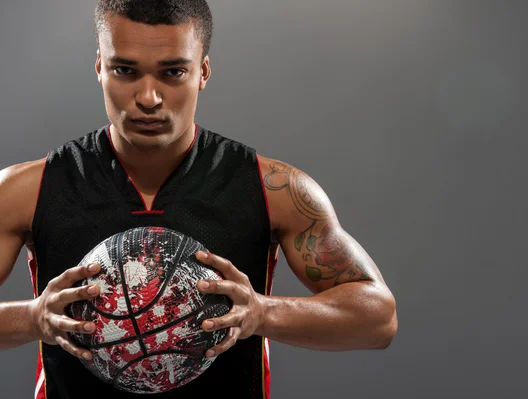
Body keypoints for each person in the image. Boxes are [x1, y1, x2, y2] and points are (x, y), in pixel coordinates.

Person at [0, 1, 397, 398]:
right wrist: (32, 318)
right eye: (126, 70)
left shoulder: (272, 189)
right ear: (100, 67)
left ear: (202, 71)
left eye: (173, 72)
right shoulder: (27, 190)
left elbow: (379, 319)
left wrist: (263, 312)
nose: (149, 97)